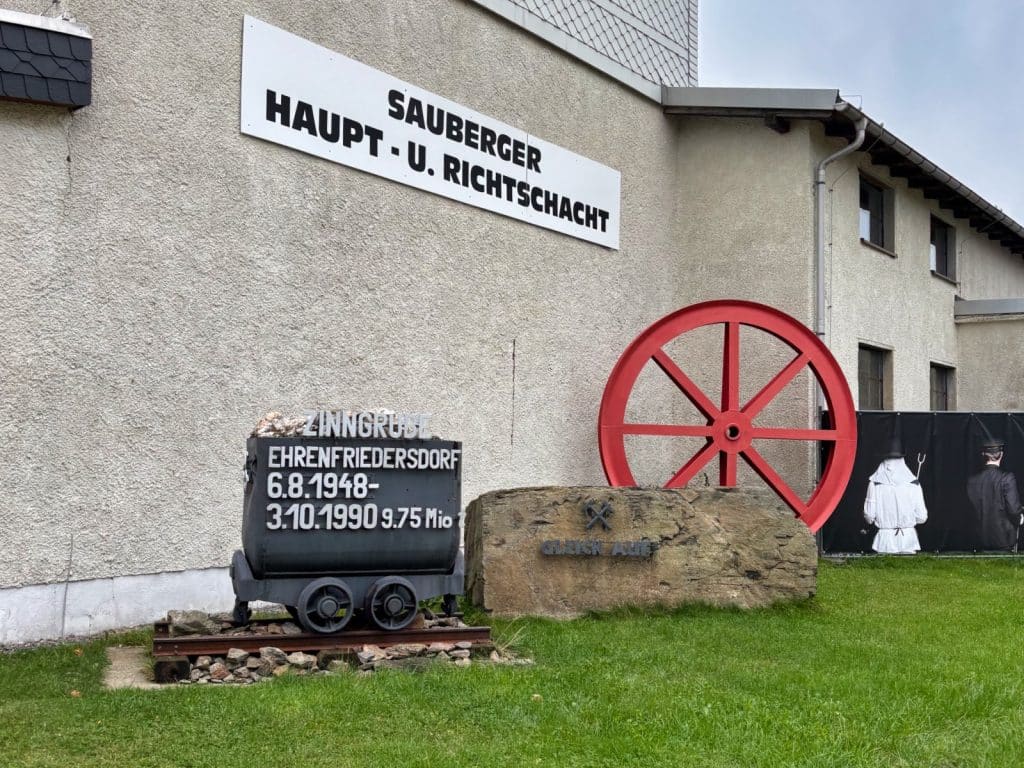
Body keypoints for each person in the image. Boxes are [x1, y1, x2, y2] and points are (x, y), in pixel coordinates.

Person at [863, 438, 928, 554]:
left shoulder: (874, 483)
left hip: (885, 542)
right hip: (908, 540)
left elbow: (869, 516)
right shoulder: (914, 484)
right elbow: (922, 517)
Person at [966, 440, 1023, 551]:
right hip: (1003, 540)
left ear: (983, 455)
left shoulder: (971, 480)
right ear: (1001, 455)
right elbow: (1013, 510)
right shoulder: (1007, 478)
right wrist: (1020, 517)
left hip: (977, 540)